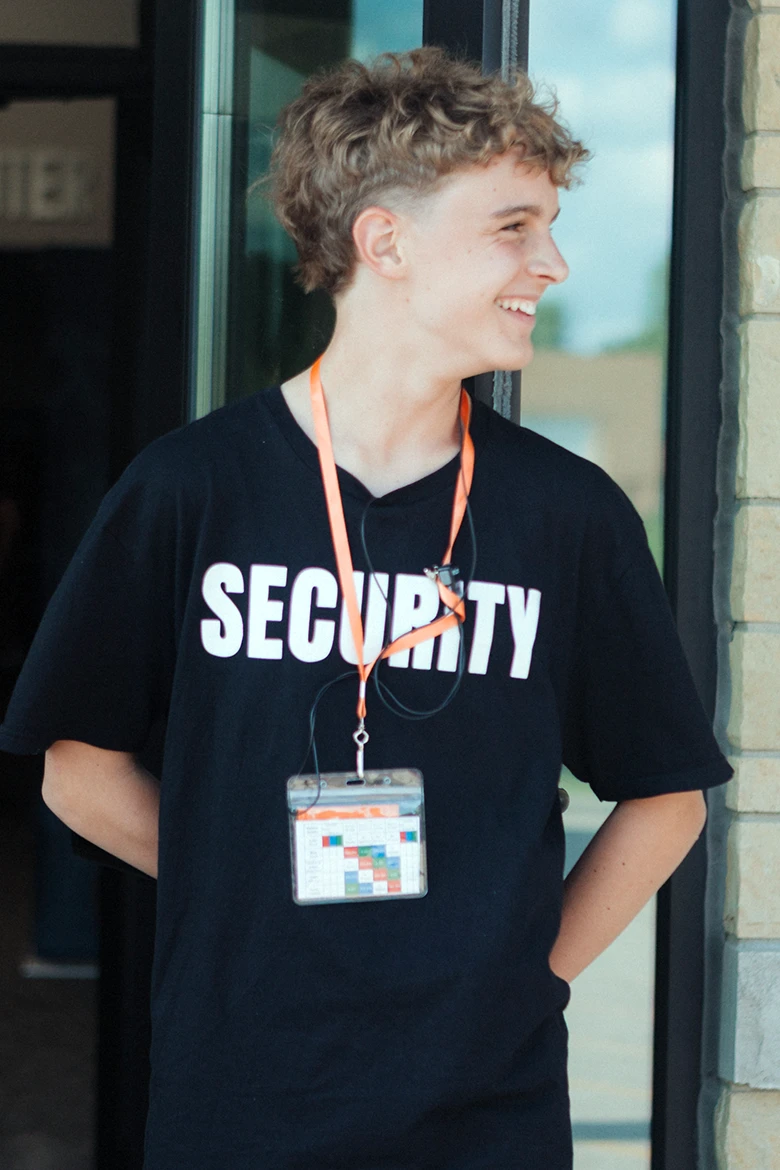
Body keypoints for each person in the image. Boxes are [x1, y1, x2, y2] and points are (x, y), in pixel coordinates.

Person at [0, 47, 732, 1170]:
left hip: (486, 1116)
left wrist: (524, 974)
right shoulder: (192, 491)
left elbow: (665, 797)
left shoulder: (565, 515)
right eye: (513, 226)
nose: (555, 262)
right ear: (382, 241)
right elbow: (76, 770)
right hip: (240, 1096)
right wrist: (250, 890)